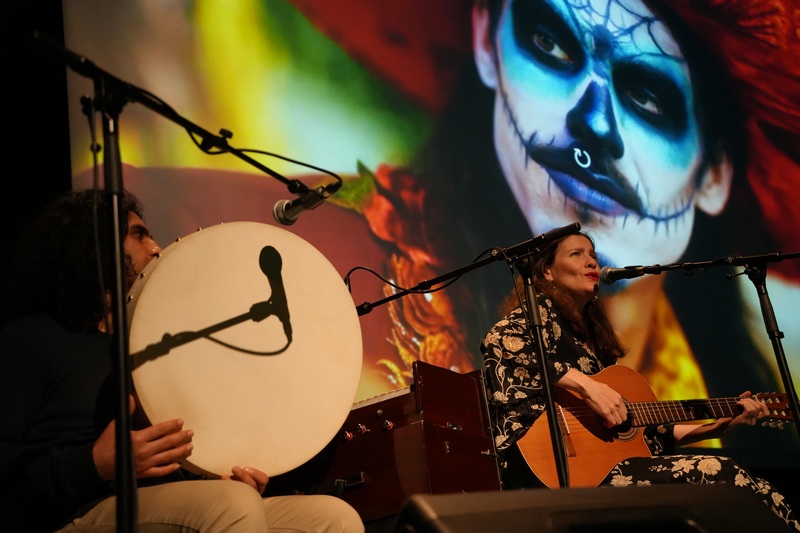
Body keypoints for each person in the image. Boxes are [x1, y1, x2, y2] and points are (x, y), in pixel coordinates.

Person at [0, 189, 365, 532]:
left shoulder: (164, 349)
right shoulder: (30, 340)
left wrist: (220, 477)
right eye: (139, 235)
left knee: (333, 519)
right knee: (231, 505)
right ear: (93, 246)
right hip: (72, 512)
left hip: (167, 504)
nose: (156, 248)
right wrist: (94, 464)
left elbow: (180, 465)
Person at [479, 230, 798, 530]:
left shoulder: (592, 342)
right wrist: (588, 387)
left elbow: (648, 434)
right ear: (547, 272)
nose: (591, 262)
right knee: (725, 474)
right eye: (577, 254)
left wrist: (718, 426)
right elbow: (501, 341)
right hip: (541, 468)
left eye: (593, 255)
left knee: (760, 490)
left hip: (606, 470)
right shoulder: (534, 317)